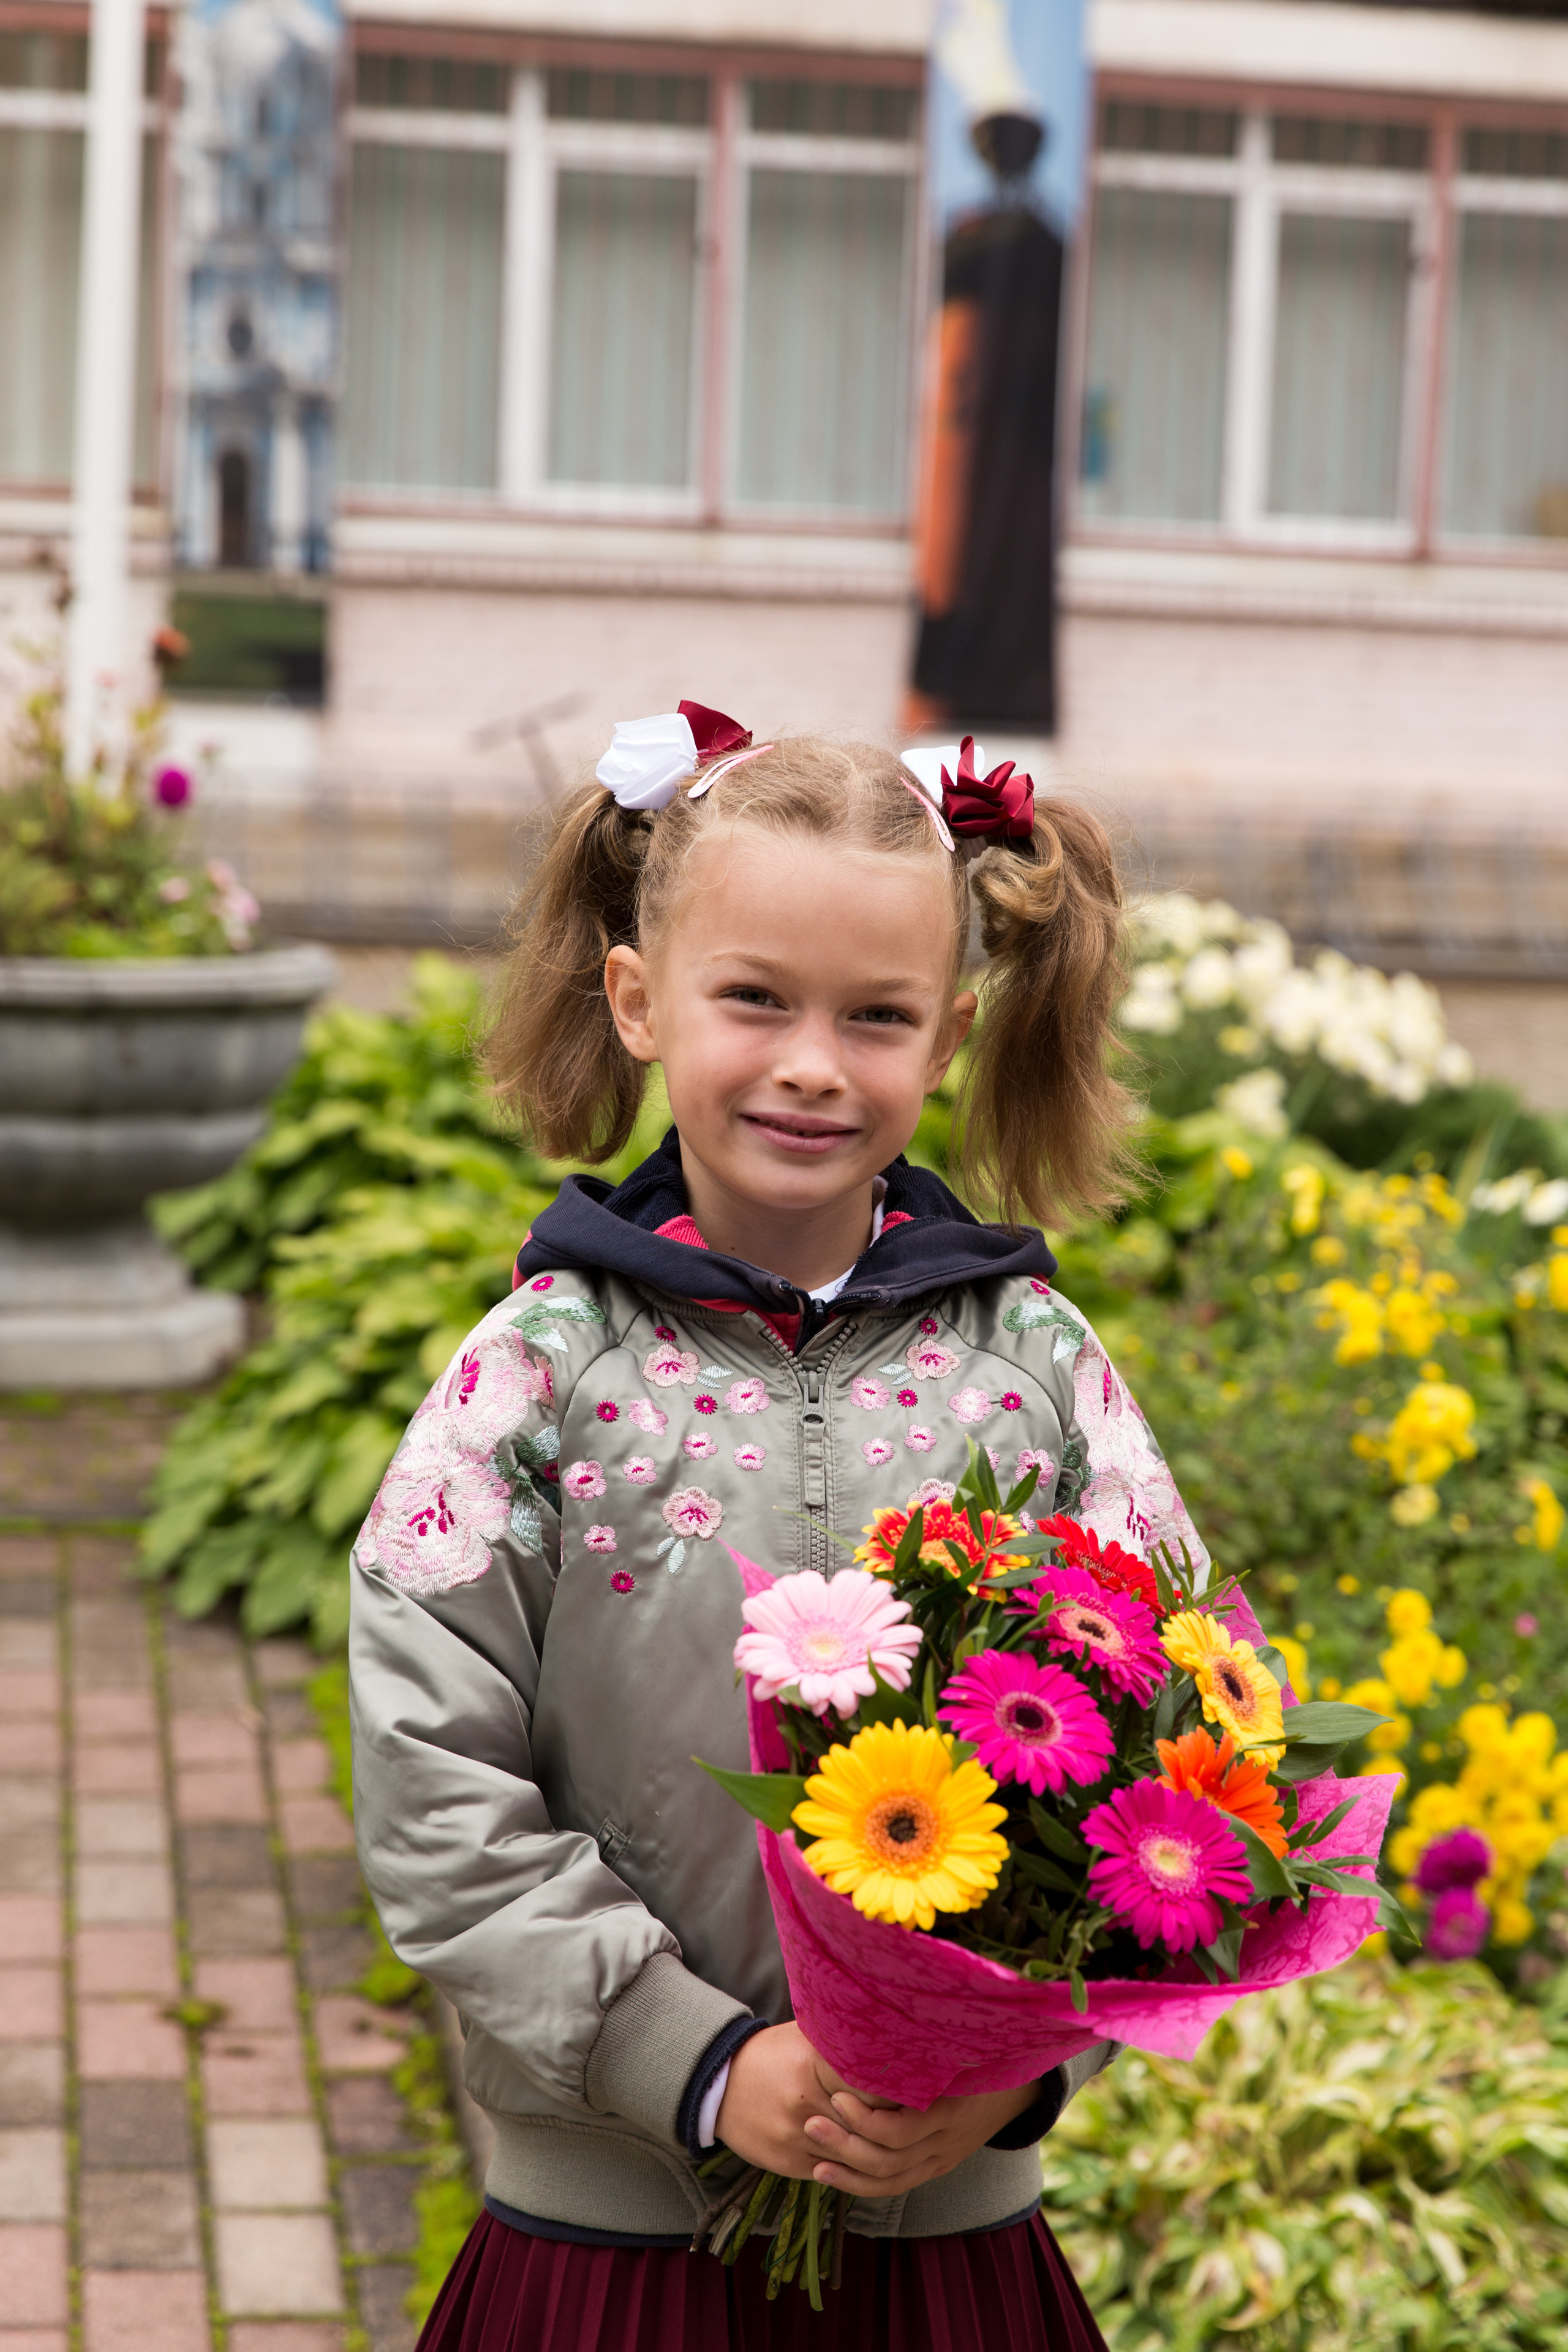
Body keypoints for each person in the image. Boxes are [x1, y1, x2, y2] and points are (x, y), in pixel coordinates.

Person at [349, 706, 1213, 2350]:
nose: (815, 1063)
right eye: (755, 998)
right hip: (607, 2250)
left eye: (877, 1015)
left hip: (946, 2246)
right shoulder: (536, 1373)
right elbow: (431, 1777)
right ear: (639, 999)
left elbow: (1182, 1757)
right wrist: (694, 2060)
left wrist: (1014, 2064)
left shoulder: (1036, 1373)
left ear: (949, 1036)